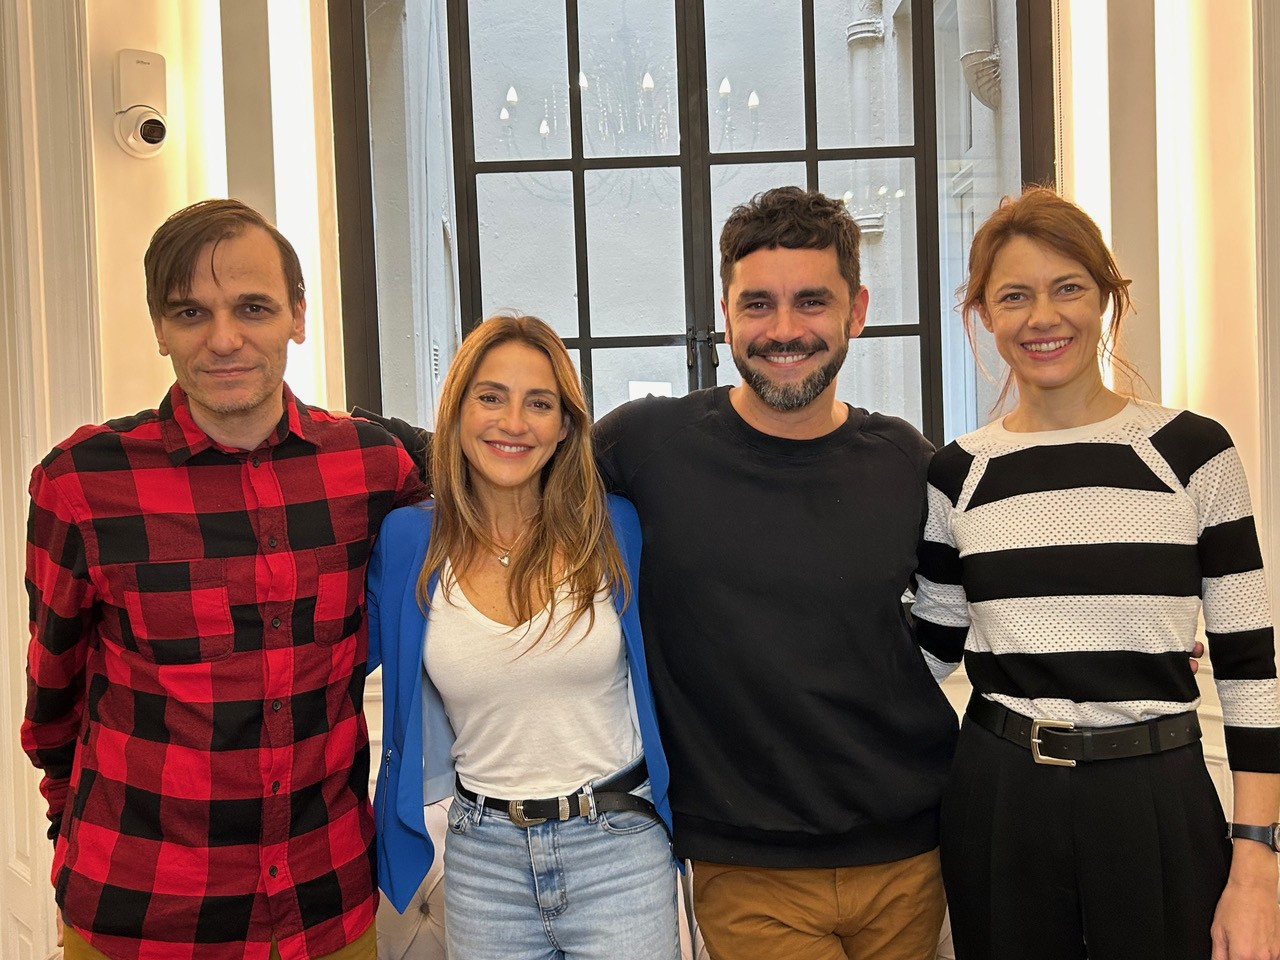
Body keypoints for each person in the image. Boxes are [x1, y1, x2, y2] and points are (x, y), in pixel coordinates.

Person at [370, 187, 956, 958]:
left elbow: (957, 616)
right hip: (743, 860)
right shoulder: (649, 447)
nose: (784, 329)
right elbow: (516, 457)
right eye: (758, 304)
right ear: (726, 316)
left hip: (905, 851)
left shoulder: (907, 462)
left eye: (811, 301)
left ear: (858, 311)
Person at [21, 199, 426, 960]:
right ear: (159, 327)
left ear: (297, 315)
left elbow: (504, 487)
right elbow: (53, 702)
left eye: (253, 308)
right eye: (190, 312)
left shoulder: (373, 467)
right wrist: (74, 829)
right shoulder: (82, 484)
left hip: (326, 904)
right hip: (139, 913)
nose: (224, 338)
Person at [912, 186, 1280, 960]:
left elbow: (1250, 669)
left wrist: (1256, 865)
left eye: (1068, 287)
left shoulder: (1192, 454)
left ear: (1107, 296)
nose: (1042, 317)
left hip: (1156, 792)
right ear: (984, 314)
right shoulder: (957, 474)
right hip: (1000, 796)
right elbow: (926, 652)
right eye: (1014, 296)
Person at [367, 314, 679, 960]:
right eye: (490, 397)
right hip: (482, 859)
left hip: (618, 847)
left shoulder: (615, 528)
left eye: (539, 403)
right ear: (457, 412)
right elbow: (328, 659)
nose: (513, 422)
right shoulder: (408, 543)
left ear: (565, 425)